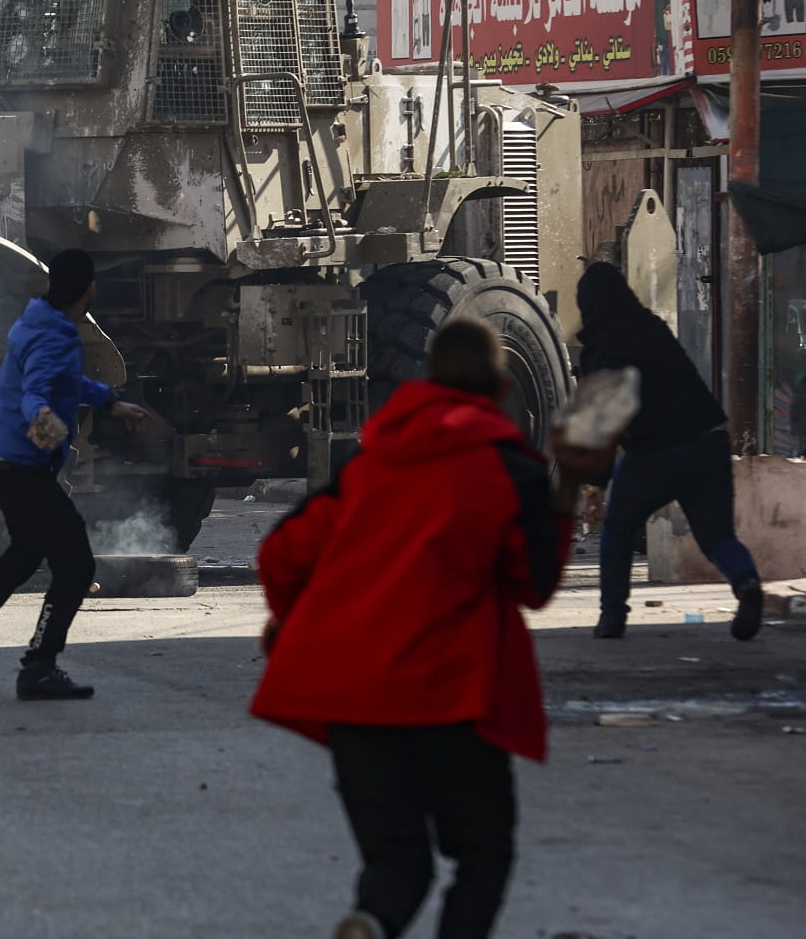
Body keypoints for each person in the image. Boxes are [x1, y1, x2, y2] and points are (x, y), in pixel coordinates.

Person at [250, 319, 611, 939]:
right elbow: (534, 584)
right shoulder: (508, 468)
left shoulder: (370, 465)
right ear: (500, 388)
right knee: (482, 851)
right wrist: (570, 481)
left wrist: (296, 621)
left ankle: (369, 922)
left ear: (428, 382)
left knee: (396, 860)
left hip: (354, 694)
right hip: (450, 692)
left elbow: (282, 552)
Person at [0, 249, 148, 700]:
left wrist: (110, 401)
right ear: (91, 288)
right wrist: (46, 426)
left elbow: (65, 381)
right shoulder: (56, 336)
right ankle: (39, 666)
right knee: (76, 565)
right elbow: (36, 393)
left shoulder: (37, 320)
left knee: (26, 552)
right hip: (21, 469)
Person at [576, 262, 765, 640]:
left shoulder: (600, 350)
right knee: (716, 538)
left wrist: (595, 487)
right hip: (707, 441)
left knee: (618, 530)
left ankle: (612, 616)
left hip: (652, 455)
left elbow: (605, 426)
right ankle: (746, 584)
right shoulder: (652, 327)